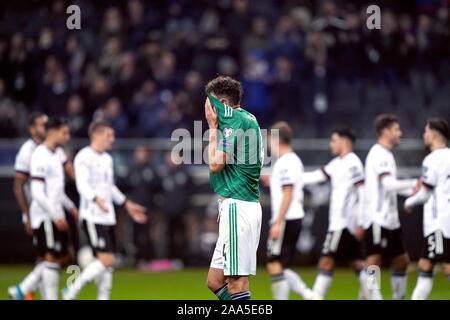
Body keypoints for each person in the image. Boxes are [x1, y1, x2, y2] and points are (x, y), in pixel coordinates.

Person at [63, 120, 147, 300]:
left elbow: (110, 187)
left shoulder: (107, 159)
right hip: (92, 216)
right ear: (96, 135)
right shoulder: (83, 157)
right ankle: (71, 290)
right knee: (106, 260)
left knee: (107, 266)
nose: (112, 139)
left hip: (107, 217)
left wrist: (126, 203)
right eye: (108, 135)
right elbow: (82, 184)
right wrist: (95, 199)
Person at [204, 76, 263, 300]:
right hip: (238, 207)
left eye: (211, 103)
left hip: (239, 208)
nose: (207, 108)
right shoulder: (247, 117)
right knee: (215, 281)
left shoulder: (235, 121)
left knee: (236, 283)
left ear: (223, 104)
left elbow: (215, 164)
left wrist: (212, 128)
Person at [8, 112, 77, 300]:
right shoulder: (31, 153)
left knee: (62, 257)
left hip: (55, 210)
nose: (45, 127)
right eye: (41, 125)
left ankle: (25, 289)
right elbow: (21, 187)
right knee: (49, 258)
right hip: (42, 212)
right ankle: (28, 292)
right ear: (32, 129)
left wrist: (70, 206)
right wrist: (28, 216)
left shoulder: (56, 152)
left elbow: (59, 184)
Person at [302, 128, 366, 299]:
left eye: (333, 140)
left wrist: (361, 221)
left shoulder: (353, 163)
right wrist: (294, 177)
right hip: (343, 223)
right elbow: (317, 176)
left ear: (344, 142)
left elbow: (362, 193)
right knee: (359, 263)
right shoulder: (337, 163)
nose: (331, 144)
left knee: (326, 262)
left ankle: (315, 296)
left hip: (343, 223)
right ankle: (375, 296)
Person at [361, 114, 419, 300]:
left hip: (391, 220)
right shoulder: (379, 154)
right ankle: (372, 297)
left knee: (401, 261)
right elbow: (388, 184)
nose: (400, 133)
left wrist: (414, 193)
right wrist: (414, 183)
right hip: (378, 218)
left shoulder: (386, 154)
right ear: (386, 132)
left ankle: (397, 297)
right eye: (397, 129)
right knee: (373, 262)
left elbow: (391, 186)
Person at [266, 121, 318, 300]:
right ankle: (308, 294)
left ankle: (305, 294)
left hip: (286, 218)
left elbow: (288, 192)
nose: (268, 145)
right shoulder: (293, 160)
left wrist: (278, 222)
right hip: (294, 217)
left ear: (277, 140)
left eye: (270, 140)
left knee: (274, 263)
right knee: (281, 265)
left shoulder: (286, 161)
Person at [404, 118, 450, 299]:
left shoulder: (432, 160)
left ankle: (371, 295)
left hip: (438, 222)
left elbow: (425, 193)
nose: (424, 136)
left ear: (434, 134)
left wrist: (409, 202)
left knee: (371, 262)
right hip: (444, 220)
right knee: (421, 264)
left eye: (426, 132)